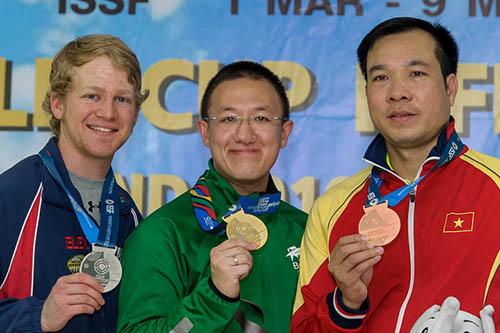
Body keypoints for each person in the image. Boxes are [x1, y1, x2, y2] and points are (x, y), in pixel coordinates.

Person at [291, 17, 499, 332]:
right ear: (366, 93)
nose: (397, 92)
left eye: (416, 73)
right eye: (381, 77)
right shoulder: (331, 208)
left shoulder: (494, 188)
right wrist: (345, 305)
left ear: (450, 87)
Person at [117, 60, 307, 332]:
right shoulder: (162, 234)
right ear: (206, 132)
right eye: (229, 119)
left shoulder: (307, 229)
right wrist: (214, 296)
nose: (244, 135)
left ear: (284, 133)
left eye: (261, 118)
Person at [0, 34, 149, 332]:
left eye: (122, 99)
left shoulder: (127, 212)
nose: (108, 113)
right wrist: (39, 317)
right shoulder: (11, 197)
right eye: (92, 96)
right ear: (58, 104)